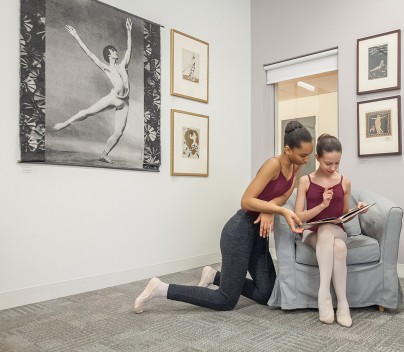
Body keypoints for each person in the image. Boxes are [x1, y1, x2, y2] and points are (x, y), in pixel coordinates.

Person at [134, 121, 313, 313]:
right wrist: (280, 210)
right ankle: (160, 288)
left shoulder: (295, 166)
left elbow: (285, 195)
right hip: (239, 231)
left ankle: (214, 276)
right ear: (287, 149)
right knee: (225, 301)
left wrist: (269, 209)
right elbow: (246, 200)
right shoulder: (273, 165)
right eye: (303, 155)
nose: (306, 160)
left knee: (267, 294)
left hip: (259, 235)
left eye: (309, 155)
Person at [294, 134, 368, 327]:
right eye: (328, 163)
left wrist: (359, 209)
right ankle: (340, 303)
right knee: (339, 247)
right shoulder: (305, 181)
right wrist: (321, 206)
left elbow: (343, 215)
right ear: (317, 158)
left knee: (329, 230)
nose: (333, 168)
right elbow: (298, 218)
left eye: (337, 163)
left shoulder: (345, 182)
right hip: (311, 233)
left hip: (337, 230)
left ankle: (327, 296)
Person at [53, 18, 133, 164]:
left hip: (125, 102)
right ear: (109, 54)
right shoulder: (107, 68)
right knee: (89, 112)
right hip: (113, 98)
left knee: (119, 133)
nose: (116, 52)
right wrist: (76, 36)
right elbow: (90, 54)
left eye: (115, 50)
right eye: (113, 51)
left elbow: (129, 50)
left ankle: (104, 154)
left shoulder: (123, 66)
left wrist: (129, 31)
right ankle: (65, 123)